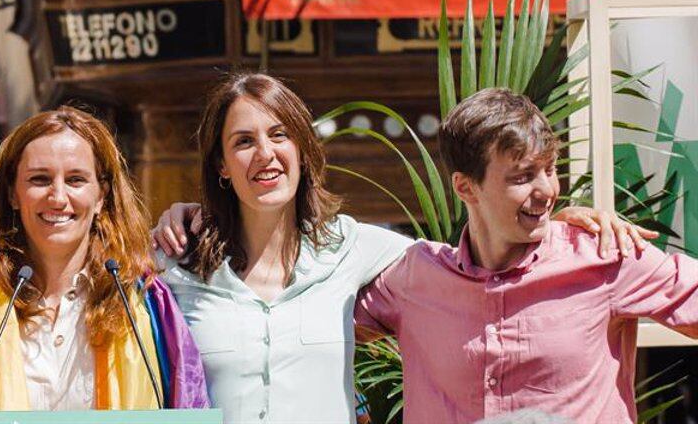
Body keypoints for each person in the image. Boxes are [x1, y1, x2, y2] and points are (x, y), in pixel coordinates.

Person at [151, 74, 656, 424]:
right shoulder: (176, 268)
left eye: (279, 134)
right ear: (220, 163)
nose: (265, 153)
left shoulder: (353, 249)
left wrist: (556, 225)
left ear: (303, 149)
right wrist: (178, 217)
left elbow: (472, 262)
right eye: (243, 141)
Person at [354, 88, 698, 423]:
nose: (548, 191)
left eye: (550, 169)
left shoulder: (606, 255)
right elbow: (312, 324)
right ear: (465, 187)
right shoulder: (413, 278)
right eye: (523, 176)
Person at [0, 108, 208, 411]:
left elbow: (188, 402)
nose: (58, 197)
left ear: (101, 195)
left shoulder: (146, 300)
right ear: (12, 193)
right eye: (39, 179)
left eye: (76, 180)